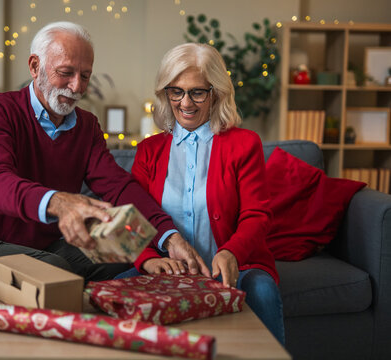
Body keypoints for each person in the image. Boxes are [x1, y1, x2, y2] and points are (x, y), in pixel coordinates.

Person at [0, 21, 210, 289]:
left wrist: (169, 236)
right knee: (53, 270)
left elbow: (118, 186)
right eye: (66, 72)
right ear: (35, 66)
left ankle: (61, 284)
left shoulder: (87, 125)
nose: (77, 86)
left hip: (44, 248)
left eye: (85, 75)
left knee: (132, 245)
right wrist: (60, 203)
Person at [116, 43, 285, 344]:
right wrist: (147, 260)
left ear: (215, 92)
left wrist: (232, 251)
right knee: (114, 288)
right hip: (167, 275)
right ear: (165, 93)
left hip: (237, 268)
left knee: (261, 289)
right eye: (176, 91)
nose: (185, 103)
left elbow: (256, 214)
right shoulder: (148, 152)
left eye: (197, 92)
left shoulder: (244, 144)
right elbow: (131, 221)